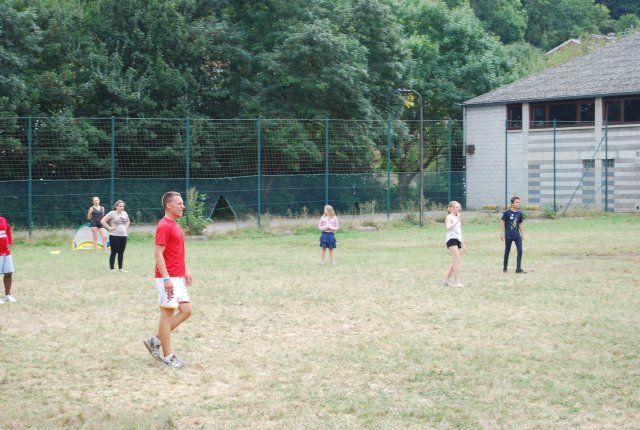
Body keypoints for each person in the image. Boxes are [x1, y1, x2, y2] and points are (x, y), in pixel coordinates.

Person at [143, 191, 193, 368]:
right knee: (167, 316)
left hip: (177, 276)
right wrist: (166, 279)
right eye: (179, 204)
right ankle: (168, 356)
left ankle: (155, 340)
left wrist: (185, 270)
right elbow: (158, 253)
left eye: (182, 203)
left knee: (186, 310)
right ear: (169, 206)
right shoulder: (164, 225)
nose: (183, 206)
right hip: (168, 278)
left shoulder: (174, 224)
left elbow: (176, 251)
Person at [101, 200, 130, 272]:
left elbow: (128, 221)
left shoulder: (125, 213)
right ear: (116, 206)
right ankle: (112, 269)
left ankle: (120, 268)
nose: (122, 207)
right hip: (114, 235)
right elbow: (102, 221)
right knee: (114, 252)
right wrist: (109, 227)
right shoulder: (112, 213)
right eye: (120, 206)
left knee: (121, 252)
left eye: (123, 206)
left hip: (123, 235)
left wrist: (126, 227)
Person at [443, 201, 465, 287]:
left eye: (459, 207)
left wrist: (463, 242)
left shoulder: (457, 217)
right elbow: (448, 228)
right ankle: (457, 282)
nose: (458, 209)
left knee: (455, 261)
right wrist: (456, 221)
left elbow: (459, 231)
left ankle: (446, 280)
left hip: (457, 239)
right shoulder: (449, 217)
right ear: (451, 208)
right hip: (451, 239)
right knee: (457, 260)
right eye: (456, 207)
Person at [501, 196, 526, 273]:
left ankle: (518, 269)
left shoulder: (520, 213)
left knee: (520, 250)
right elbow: (503, 223)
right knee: (507, 251)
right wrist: (502, 233)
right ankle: (505, 267)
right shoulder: (507, 213)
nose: (518, 204)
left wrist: (522, 234)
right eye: (517, 202)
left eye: (519, 202)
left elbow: (520, 224)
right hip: (508, 235)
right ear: (512, 203)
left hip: (517, 235)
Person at [0, 215, 17, 303]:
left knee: (9, 273)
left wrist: (9, 242)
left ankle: (8, 295)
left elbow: (8, 231)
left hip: (6, 252)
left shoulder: (3, 220)